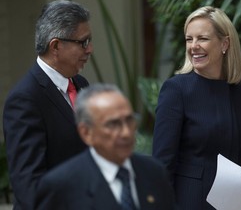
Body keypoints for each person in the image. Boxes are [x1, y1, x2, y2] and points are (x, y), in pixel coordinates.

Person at [152, 6, 241, 210]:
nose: (193, 46)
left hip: (236, 202)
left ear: (224, 43)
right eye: (189, 39)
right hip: (188, 202)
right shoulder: (176, 90)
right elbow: (162, 163)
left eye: (202, 39)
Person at [3, 0, 92, 210]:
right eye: (83, 42)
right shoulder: (25, 100)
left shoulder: (81, 84)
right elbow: (29, 187)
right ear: (56, 46)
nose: (90, 50)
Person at [34, 83, 176, 210]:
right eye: (113, 124)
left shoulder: (154, 171)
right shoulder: (61, 186)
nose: (126, 133)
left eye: (129, 120)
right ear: (86, 133)